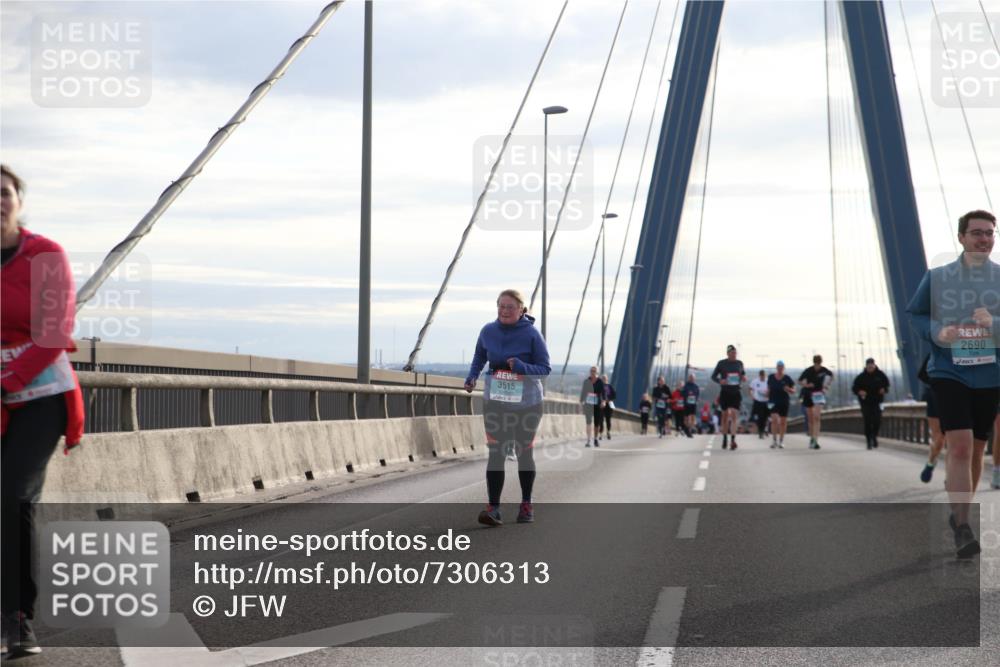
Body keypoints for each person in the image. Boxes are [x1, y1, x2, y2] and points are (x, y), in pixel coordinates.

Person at [1, 165, 85, 657]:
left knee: (13, 496)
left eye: (4, 192)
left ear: (19, 201)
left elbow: (55, 331)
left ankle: (18, 619)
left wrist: (9, 379)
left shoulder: (45, 256)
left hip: (38, 396)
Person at [907, 209, 1000, 559]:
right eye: (977, 233)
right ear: (961, 237)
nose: (984, 239)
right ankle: (963, 526)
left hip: (990, 373)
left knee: (977, 451)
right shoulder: (938, 277)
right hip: (949, 371)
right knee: (959, 447)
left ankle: (959, 515)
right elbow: (916, 314)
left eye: (990, 233)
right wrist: (937, 332)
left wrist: (994, 322)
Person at [465, 289, 551, 526]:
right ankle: (493, 508)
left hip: (528, 403)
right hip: (496, 401)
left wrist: (522, 366)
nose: (504, 310)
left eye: (509, 307)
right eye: (501, 306)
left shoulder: (532, 334)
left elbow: (545, 368)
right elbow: (479, 357)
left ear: (521, 310)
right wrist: (472, 377)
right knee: (496, 452)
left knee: (524, 452)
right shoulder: (488, 331)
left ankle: (526, 504)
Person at [711, 344, 746, 449]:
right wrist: (720, 380)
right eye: (732, 353)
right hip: (725, 392)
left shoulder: (739, 363)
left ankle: (733, 440)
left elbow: (743, 374)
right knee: (725, 416)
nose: (734, 355)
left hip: (736, 392)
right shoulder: (721, 363)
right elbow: (713, 376)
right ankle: (725, 438)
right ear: (728, 354)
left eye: (735, 353)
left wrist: (743, 378)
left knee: (735, 415)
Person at [852, 357, 890, 449]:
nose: (870, 368)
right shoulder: (861, 377)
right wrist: (859, 391)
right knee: (868, 421)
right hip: (865, 402)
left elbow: (887, 386)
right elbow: (854, 388)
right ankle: (869, 441)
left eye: (872, 366)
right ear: (866, 366)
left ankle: (874, 436)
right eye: (868, 367)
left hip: (878, 402)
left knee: (877, 420)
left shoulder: (881, 375)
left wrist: (884, 390)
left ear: (874, 365)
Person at [799, 354, 833, 450]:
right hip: (808, 394)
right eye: (817, 362)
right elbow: (800, 381)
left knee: (816, 417)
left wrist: (826, 386)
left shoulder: (824, 370)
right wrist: (806, 385)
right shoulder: (808, 370)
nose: (818, 363)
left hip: (818, 394)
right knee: (811, 419)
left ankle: (815, 440)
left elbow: (831, 376)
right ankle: (812, 439)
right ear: (814, 362)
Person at [766, 361, 795, 448]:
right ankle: (774, 440)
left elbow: (794, 390)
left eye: (781, 366)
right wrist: (767, 395)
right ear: (776, 367)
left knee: (783, 422)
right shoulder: (771, 377)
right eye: (778, 366)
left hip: (784, 401)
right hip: (772, 401)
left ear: (784, 368)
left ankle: (781, 441)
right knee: (774, 420)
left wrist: (789, 389)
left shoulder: (787, 378)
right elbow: (768, 388)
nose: (780, 368)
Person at [579, 366, 600, 447]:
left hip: (597, 405)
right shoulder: (586, 382)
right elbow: (583, 393)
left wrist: (603, 402)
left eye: (594, 371)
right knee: (589, 422)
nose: (593, 372)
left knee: (597, 423)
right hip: (588, 405)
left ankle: (596, 438)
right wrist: (580, 404)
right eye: (591, 371)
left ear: (597, 372)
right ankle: (588, 440)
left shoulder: (599, 382)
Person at [749, 369, 770, 439]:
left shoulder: (768, 381)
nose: (763, 378)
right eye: (761, 376)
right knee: (759, 417)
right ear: (759, 376)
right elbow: (750, 389)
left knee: (765, 417)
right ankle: (761, 431)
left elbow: (772, 389)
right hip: (758, 401)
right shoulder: (755, 381)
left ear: (765, 375)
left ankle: (764, 430)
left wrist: (769, 393)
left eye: (764, 376)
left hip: (766, 401)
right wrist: (752, 396)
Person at [681, 373, 699, 438]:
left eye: (693, 378)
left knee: (693, 417)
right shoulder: (685, 386)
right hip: (687, 404)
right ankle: (686, 428)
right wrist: (687, 395)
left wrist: (696, 400)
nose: (691, 379)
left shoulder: (696, 386)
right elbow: (682, 394)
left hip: (693, 404)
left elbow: (697, 394)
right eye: (690, 377)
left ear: (694, 379)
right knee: (686, 418)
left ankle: (689, 430)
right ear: (689, 378)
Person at [599, 374, 615, 440]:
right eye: (603, 378)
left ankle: (608, 432)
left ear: (607, 379)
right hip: (602, 405)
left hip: (608, 405)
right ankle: (601, 434)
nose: (604, 380)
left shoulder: (610, 386)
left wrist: (608, 400)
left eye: (605, 378)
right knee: (601, 420)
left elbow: (614, 395)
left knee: (608, 420)